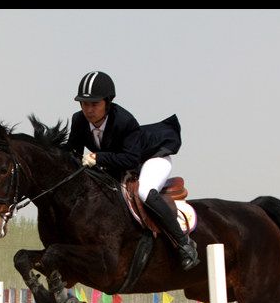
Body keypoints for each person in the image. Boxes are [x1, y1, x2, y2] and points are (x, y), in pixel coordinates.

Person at [65, 71, 199, 270]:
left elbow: (131, 159)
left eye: (95, 104)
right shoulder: (79, 121)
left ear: (108, 102)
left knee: (144, 191)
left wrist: (98, 157)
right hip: (119, 162)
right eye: (85, 104)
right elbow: (72, 153)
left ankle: (184, 244)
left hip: (151, 157)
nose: (89, 110)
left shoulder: (124, 121)